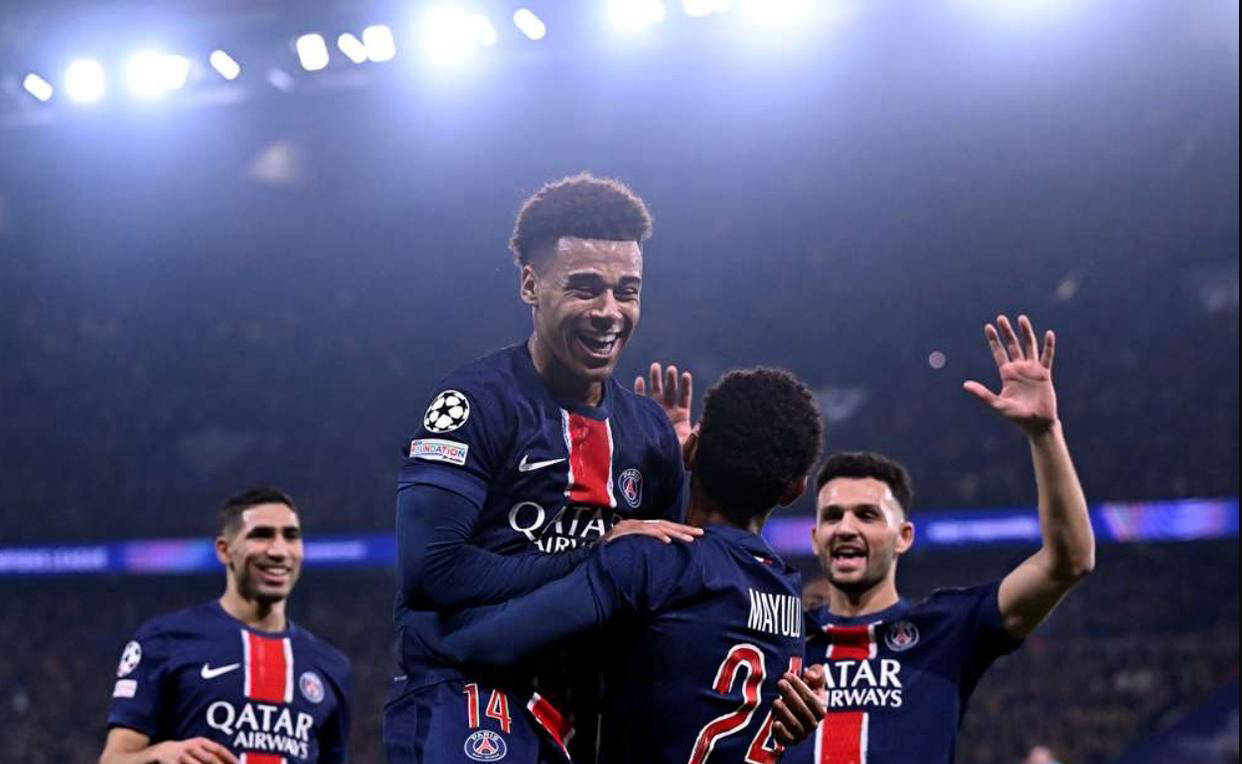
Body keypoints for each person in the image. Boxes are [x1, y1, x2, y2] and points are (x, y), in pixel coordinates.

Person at [384, 173, 702, 763]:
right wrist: (599, 553)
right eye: (585, 288)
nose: (609, 312)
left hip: (590, 708)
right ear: (530, 285)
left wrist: (700, 483)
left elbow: (665, 580)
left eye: (627, 291)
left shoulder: (649, 432)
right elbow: (433, 571)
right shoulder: (473, 403)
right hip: (470, 690)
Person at [426, 367, 830, 762]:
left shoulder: (648, 562)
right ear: (796, 489)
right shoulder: (787, 592)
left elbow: (483, 643)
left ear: (692, 450)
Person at [785, 314, 1096, 763]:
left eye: (867, 515)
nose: (847, 528)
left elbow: (1069, 562)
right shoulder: (782, 639)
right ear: (816, 538)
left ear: (904, 536)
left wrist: (1045, 434)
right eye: (833, 517)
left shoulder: (949, 628)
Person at [99, 488, 352, 764]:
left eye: (291, 536)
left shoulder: (332, 667)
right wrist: (160, 754)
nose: (279, 550)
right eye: (261, 535)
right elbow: (113, 759)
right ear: (224, 550)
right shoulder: (165, 640)